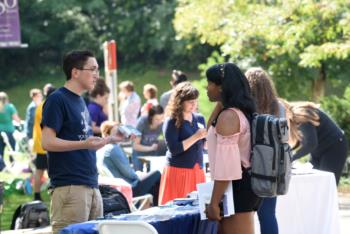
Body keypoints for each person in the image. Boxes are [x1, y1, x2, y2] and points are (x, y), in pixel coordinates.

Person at [41, 50, 114, 233]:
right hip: (70, 187)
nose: (97, 75)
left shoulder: (81, 101)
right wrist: (83, 144)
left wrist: (110, 139)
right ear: (75, 72)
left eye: (98, 69)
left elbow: (82, 141)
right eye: (93, 69)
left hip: (91, 184)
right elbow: (47, 142)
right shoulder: (57, 99)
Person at [205, 63, 261, 234]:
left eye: (209, 83)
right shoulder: (235, 112)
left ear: (221, 87)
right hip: (240, 185)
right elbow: (209, 129)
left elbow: (227, 168)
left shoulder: (229, 117)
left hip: (237, 186)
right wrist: (223, 101)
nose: (207, 89)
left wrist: (214, 202)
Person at [245, 67, 282, 234]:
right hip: (273, 165)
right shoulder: (278, 106)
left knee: (245, 215)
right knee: (268, 214)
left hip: (250, 164)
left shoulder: (246, 106)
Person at [158, 81, 207, 205]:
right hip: (178, 171)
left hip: (198, 170)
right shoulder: (171, 121)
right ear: (180, 102)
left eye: (195, 101)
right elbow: (174, 149)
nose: (194, 104)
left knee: (198, 209)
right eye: (190, 101)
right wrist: (196, 136)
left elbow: (204, 145)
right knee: (177, 210)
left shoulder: (200, 118)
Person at [283, 100, 348, 185]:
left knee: (326, 184)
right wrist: (287, 154)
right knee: (314, 183)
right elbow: (302, 141)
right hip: (319, 150)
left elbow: (311, 144)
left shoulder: (300, 115)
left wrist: (291, 158)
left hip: (334, 147)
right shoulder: (294, 116)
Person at [97, 121, 161, 205]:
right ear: (107, 135)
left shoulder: (100, 150)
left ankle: (148, 207)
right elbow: (130, 175)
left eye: (121, 131)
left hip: (114, 190)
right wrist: (139, 175)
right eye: (117, 133)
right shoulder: (114, 149)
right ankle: (156, 207)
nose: (121, 134)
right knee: (156, 174)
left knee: (149, 179)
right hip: (127, 189)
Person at [32, 85, 56, 201]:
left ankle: (36, 194)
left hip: (39, 143)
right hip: (47, 144)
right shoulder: (49, 106)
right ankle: (53, 193)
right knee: (53, 171)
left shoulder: (40, 105)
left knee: (39, 171)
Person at [131, 105, 166, 171]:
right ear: (151, 118)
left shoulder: (162, 123)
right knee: (140, 176)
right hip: (139, 154)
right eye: (157, 119)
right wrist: (151, 148)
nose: (159, 121)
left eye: (161, 118)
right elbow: (135, 146)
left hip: (153, 155)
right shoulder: (142, 122)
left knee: (154, 177)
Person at [0, 92, 21, 163]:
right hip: (9, 131)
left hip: (0, 131)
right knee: (12, 149)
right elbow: (16, 119)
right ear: (6, 99)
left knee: (0, 150)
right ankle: (12, 163)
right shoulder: (10, 107)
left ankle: (1, 165)